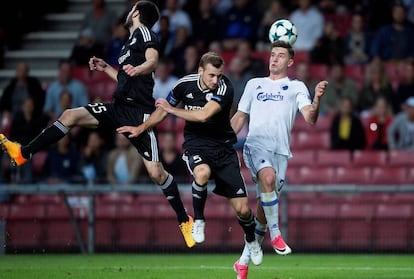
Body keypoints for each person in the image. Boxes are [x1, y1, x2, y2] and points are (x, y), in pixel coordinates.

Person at [0, 1, 195, 248]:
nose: (128, 12)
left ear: (136, 13)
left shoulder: (145, 32)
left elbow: (153, 60)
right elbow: (128, 76)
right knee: (70, 116)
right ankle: (22, 152)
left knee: (156, 172)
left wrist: (140, 68)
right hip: (118, 107)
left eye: (131, 8)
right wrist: (107, 69)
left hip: (139, 113)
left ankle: (183, 219)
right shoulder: (129, 43)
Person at [117, 51, 263, 265]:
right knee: (201, 173)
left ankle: (251, 240)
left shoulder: (225, 88)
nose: (216, 80)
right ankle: (199, 221)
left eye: (219, 75)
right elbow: (163, 111)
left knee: (243, 209)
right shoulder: (184, 85)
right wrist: (142, 127)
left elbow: (203, 115)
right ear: (200, 71)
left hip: (223, 149)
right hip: (196, 145)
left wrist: (172, 110)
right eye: (212, 75)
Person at [230, 40, 328, 278]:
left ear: (290, 61)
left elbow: (310, 118)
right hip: (255, 145)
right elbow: (240, 117)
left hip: (281, 152)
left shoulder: (296, 87)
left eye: (280, 55)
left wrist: (316, 99)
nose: (274, 58)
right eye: (272, 54)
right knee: (268, 177)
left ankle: (242, 263)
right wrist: (219, 142)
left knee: (262, 213)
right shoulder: (254, 84)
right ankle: (276, 234)